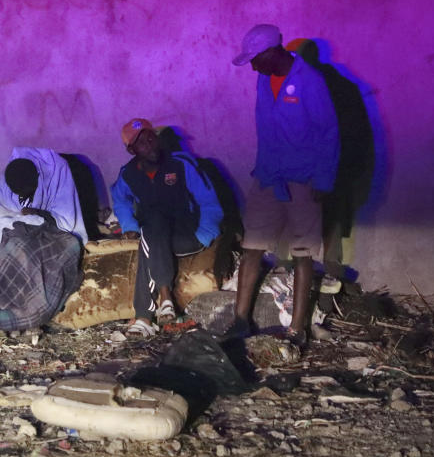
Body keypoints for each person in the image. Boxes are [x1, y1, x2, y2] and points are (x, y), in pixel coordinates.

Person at [229, 24, 339, 347]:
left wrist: (323, 179)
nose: (252, 66)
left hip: (304, 179)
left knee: (302, 254)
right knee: (251, 248)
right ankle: (239, 322)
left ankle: (297, 329)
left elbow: (328, 132)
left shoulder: (311, 82)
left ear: (271, 53)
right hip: (268, 176)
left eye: (255, 59)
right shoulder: (265, 79)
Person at [111, 119, 223, 338]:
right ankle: (164, 303)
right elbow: (120, 200)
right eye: (142, 143)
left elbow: (209, 202)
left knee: (149, 232)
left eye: (151, 137)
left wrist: (205, 234)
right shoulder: (128, 174)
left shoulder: (181, 164)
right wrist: (129, 226)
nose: (150, 144)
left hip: (187, 234)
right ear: (131, 150)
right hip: (158, 235)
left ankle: (148, 312)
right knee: (151, 226)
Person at [0, 147, 88, 273]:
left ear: (39, 177)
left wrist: (38, 213)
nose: (24, 198)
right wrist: (20, 221)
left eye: (28, 193)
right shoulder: (5, 182)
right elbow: (5, 217)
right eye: (20, 195)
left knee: (36, 255)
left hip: (55, 228)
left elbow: (68, 221)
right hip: (23, 230)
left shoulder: (58, 172)